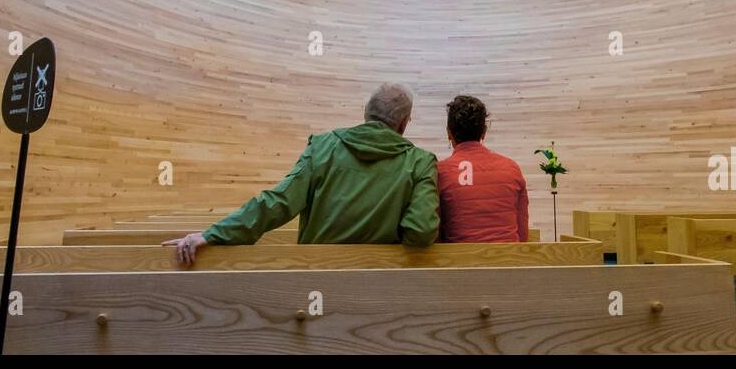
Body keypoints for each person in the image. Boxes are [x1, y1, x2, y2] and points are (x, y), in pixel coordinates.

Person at [166, 83, 439, 265]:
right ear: (404, 124)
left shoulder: (322, 147)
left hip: (313, 279)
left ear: (366, 114)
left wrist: (213, 234)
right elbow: (421, 231)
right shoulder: (419, 162)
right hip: (376, 285)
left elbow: (278, 203)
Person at [436, 94, 528, 242]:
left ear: (449, 132)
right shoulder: (512, 169)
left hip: (459, 262)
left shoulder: (439, 172)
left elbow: (435, 235)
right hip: (508, 261)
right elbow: (523, 235)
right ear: (484, 131)